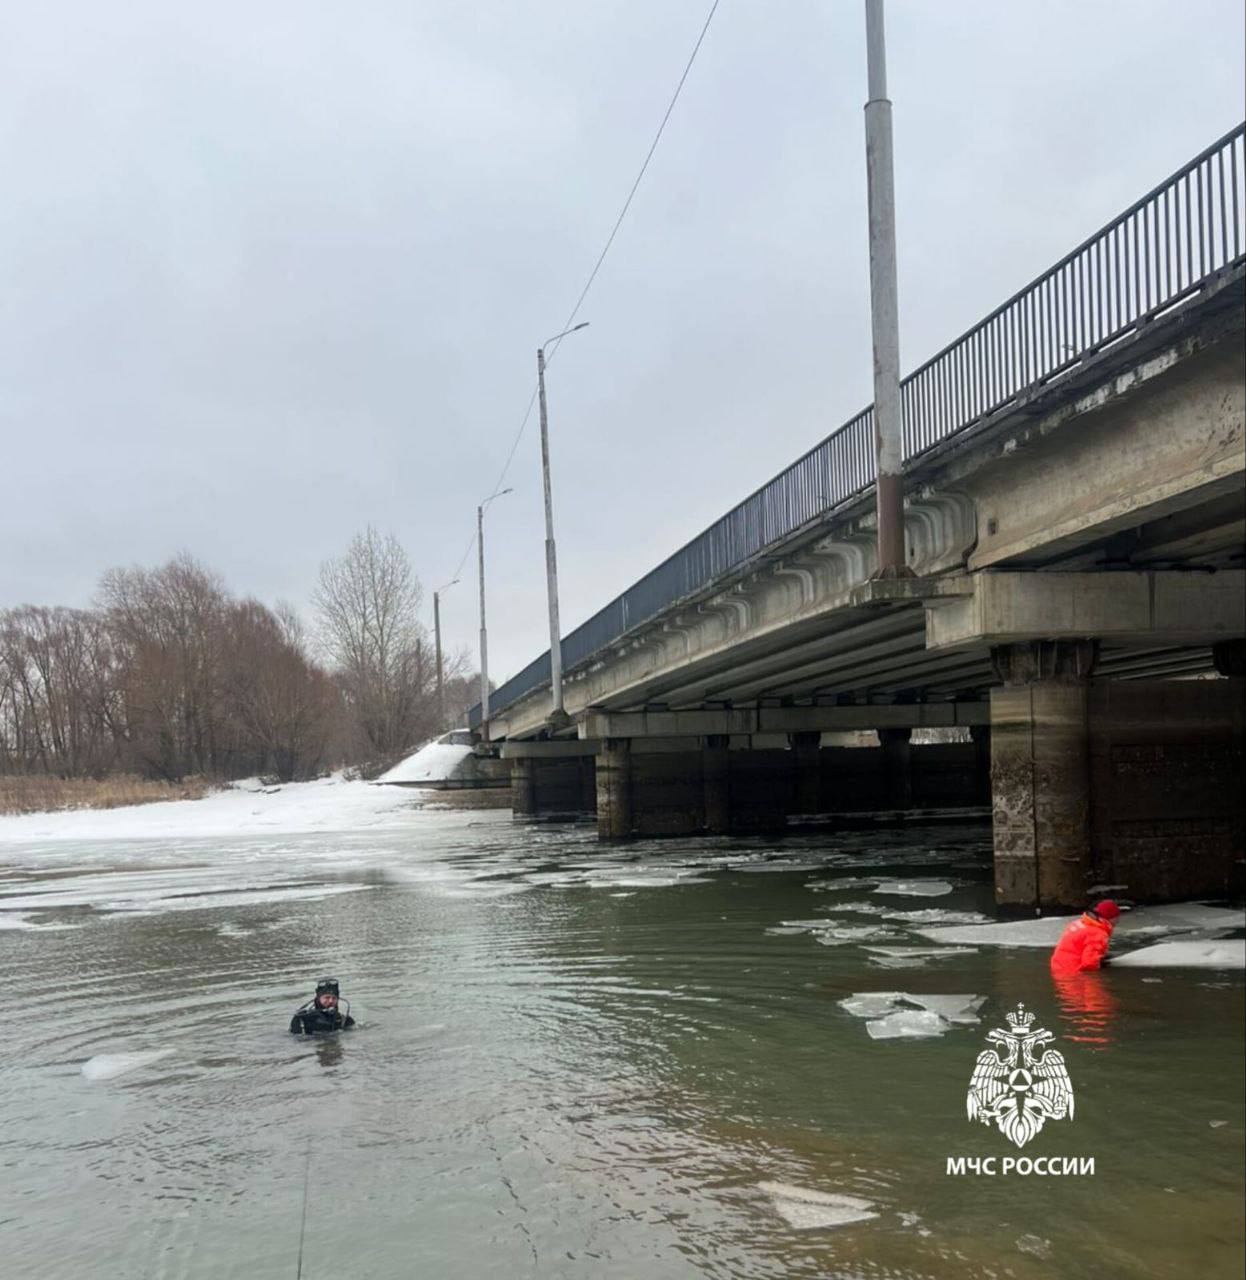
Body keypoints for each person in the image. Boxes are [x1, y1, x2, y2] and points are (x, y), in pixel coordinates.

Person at [1049, 900, 1122, 977]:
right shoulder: (1098, 934)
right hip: (1073, 973)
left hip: (1057, 966)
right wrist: (1100, 963)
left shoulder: (1079, 923)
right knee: (1094, 987)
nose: (1118, 920)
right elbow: (1089, 963)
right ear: (1111, 918)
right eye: (1117, 917)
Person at [289, 976, 355, 1034]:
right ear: (318, 998)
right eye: (327, 997)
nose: (331, 1001)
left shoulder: (346, 1021)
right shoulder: (302, 1019)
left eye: (334, 998)